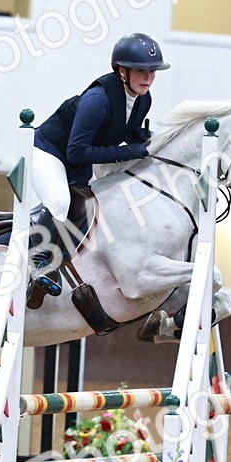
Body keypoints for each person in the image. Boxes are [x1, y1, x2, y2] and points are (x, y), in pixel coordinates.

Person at [28, 32, 170, 297]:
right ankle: (36, 264)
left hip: (77, 161)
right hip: (48, 153)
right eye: (141, 70)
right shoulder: (98, 99)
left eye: (153, 71)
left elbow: (117, 130)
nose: (149, 77)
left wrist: (137, 136)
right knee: (59, 202)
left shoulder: (143, 99)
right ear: (121, 71)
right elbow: (77, 150)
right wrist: (127, 152)